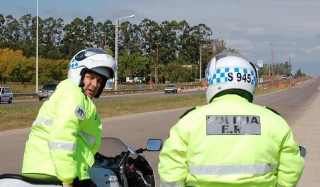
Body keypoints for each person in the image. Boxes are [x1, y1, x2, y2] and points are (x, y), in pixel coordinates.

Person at [158, 52, 304, 187]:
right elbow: (291, 169)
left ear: (213, 80)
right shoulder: (274, 121)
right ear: (251, 82)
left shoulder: (189, 121)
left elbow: (171, 171)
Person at [22, 48, 116, 187]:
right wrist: (67, 180)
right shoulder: (73, 95)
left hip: (50, 169)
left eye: (99, 80)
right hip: (54, 172)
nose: (95, 85)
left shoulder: (75, 95)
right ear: (79, 73)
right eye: (90, 77)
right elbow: (62, 138)